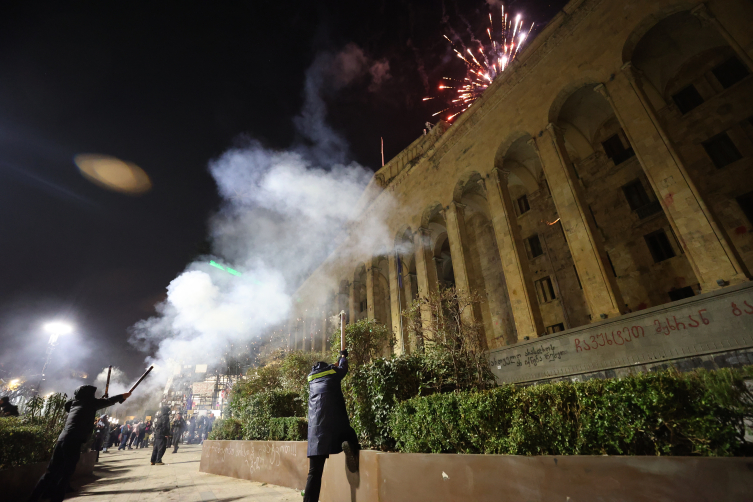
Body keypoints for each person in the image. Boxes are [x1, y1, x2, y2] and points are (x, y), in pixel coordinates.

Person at [28, 386, 130, 502]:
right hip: (73, 441)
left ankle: (33, 498)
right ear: (88, 395)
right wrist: (122, 396)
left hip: (62, 440)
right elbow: (108, 401)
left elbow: (92, 405)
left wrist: (100, 400)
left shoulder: (74, 404)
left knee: (50, 472)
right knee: (66, 474)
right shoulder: (89, 403)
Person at [302, 350, 359, 502]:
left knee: (314, 472)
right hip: (333, 423)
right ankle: (352, 452)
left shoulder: (312, 379)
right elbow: (343, 368)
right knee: (350, 436)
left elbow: (333, 368)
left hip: (315, 430)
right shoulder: (332, 373)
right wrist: (343, 357)